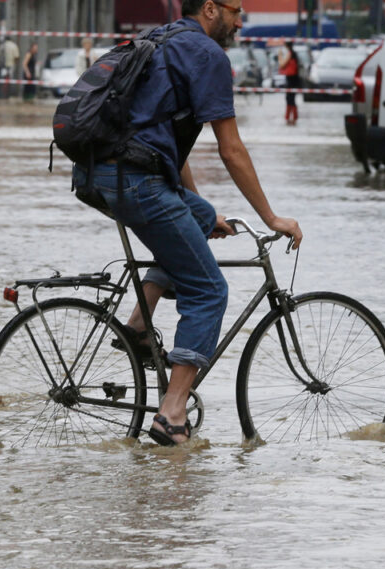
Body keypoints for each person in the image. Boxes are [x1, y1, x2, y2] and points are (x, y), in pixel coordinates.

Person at [72, 0, 302, 446]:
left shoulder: (159, 40)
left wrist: (198, 207)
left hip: (97, 173)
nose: (240, 23)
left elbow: (166, 150)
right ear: (210, 9)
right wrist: (270, 217)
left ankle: (139, 326)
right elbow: (230, 149)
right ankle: (172, 413)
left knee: (195, 217)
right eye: (236, 12)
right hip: (134, 179)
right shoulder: (206, 55)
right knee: (209, 289)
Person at [278, 41, 300, 125]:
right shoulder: (293, 53)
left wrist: (280, 55)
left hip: (291, 80)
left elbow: (282, 64)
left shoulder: (290, 53)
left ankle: (291, 118)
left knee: (290, 99)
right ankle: (292, 118)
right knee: (290, 99)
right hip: (293, 79)